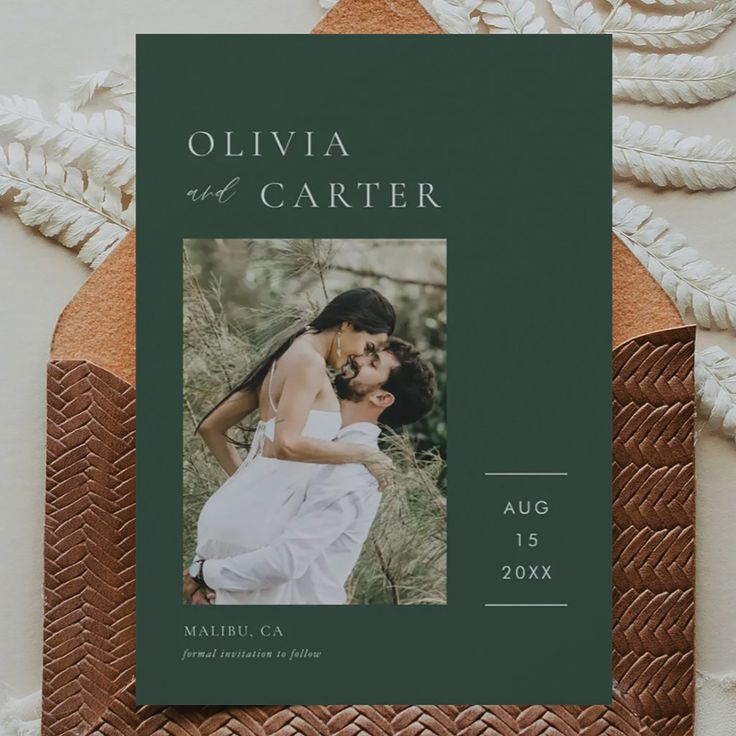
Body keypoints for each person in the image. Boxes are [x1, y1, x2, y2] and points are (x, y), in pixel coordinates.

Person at [185, 337, 436, 605]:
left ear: (381, 397)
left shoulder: (357, 472)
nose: (358, 358)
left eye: (372, 363)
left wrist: (204, 573)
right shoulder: (312, 438)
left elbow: (287, 561)